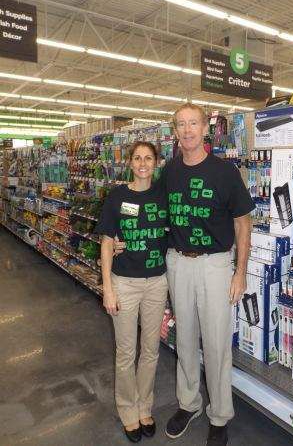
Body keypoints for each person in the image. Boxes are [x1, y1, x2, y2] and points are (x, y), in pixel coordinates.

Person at [115, 103, 255, 446]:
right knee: (186, 339)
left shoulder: (224, 172)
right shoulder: (171, 172)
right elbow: (149, 208)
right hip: (177, 263)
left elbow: (243, 223)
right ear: (175, 132)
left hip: (215, 265)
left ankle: (220, 414)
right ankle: (189, 403)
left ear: (206, 128)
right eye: (181, 125)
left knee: (217, 342)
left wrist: (241, 272)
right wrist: (121, 237)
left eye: (193, 123)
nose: (187, 130)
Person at [96, 141, 168, 443]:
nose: (142, 163)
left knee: (150, 351)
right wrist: (108, 290)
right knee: (126, 352)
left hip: (157, 282)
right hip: (124, 282)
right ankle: (128, 411)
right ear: (130, 163)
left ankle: (144, 406)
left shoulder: (163, 196)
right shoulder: (117, 196)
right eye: (137, 158)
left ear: (156, 162)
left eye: (148, 158)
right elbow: (106, 242)